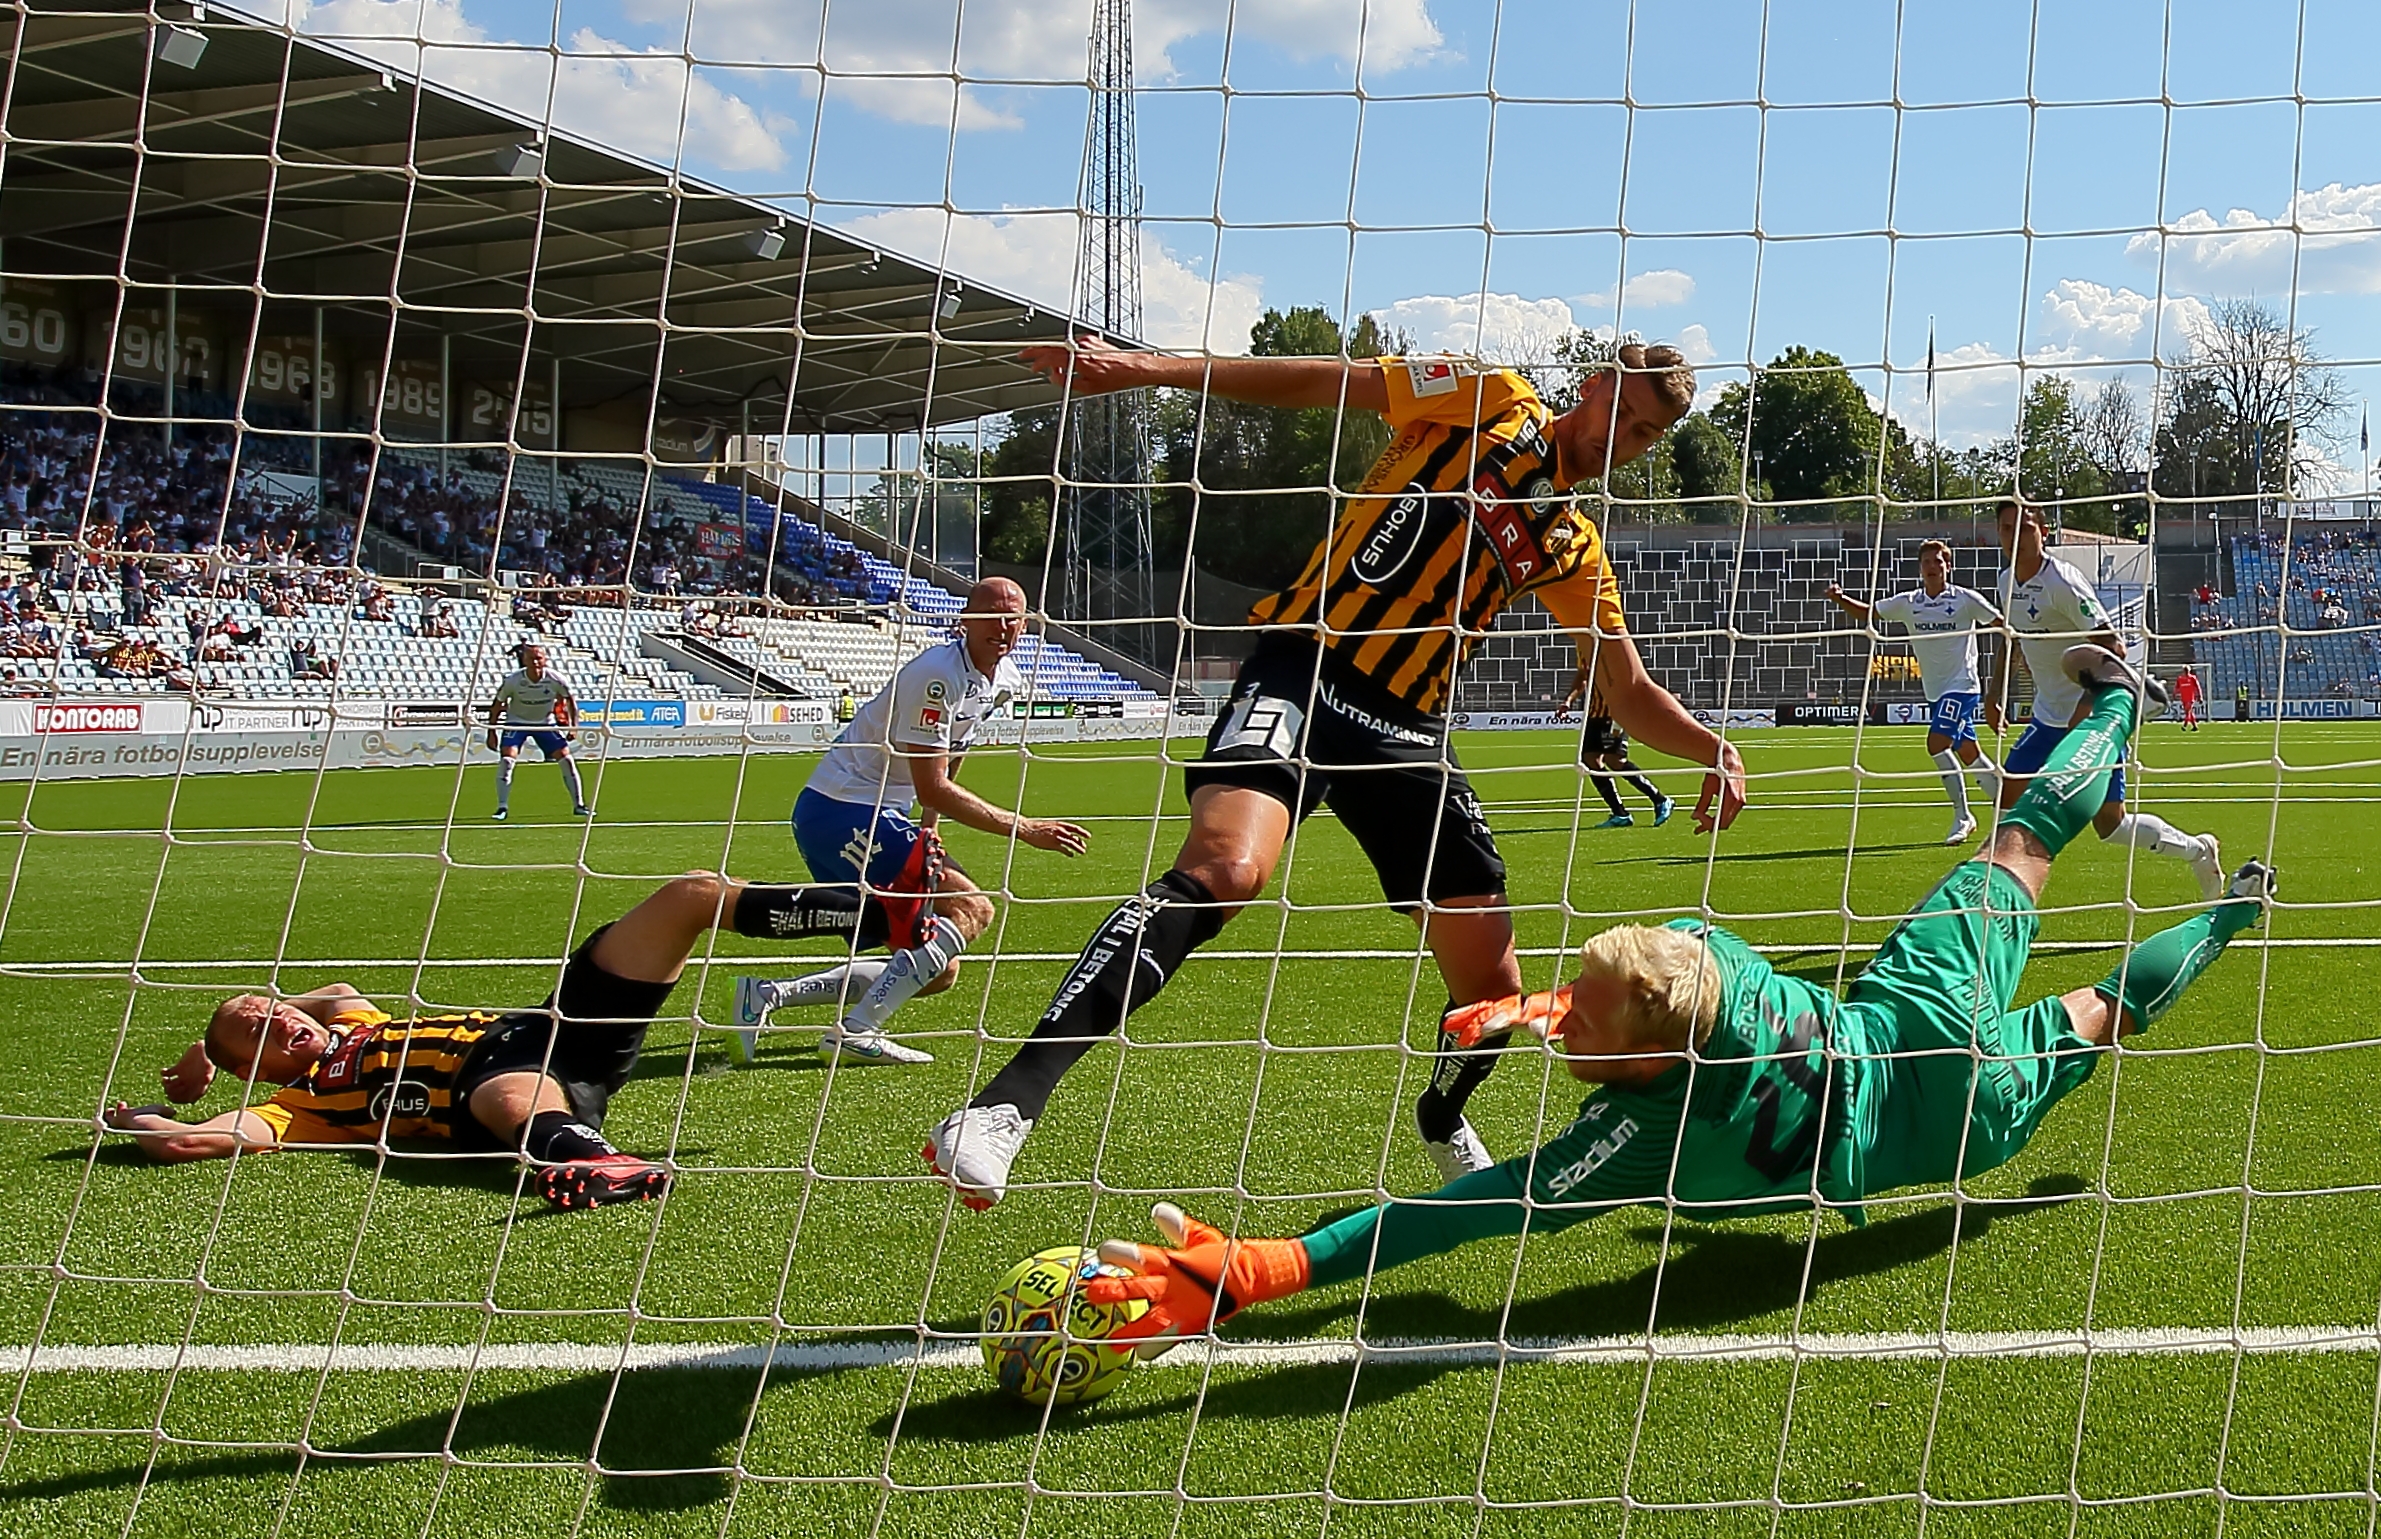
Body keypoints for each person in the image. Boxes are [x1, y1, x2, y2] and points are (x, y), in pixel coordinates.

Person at [1078, 647, 2276, 1346]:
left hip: (1942, 1127)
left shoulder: (1638, 1136)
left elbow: (1464, 1212)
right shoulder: (1705, 961)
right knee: (2022, 842)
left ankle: (2232, 914)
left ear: (1646, 1065)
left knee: (2099, 1014)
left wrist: (1267, 1267)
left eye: (1578, 1020)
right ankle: (2121, 714)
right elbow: (1643, 991)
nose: (1566, 1027)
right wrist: (1542, 1006)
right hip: (1905, 1023)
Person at [923, 336, 1750, 1211]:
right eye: (1621, 412)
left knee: (1493, 988)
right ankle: (1002, 1107)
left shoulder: (1571, 545)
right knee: (1225, 870)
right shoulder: (1484, 396)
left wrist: (1714, 748)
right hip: (1305, 669)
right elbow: (1326, 380)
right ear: (1589, 387)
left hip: (1407, 732)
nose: (1621, 437)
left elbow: (1626, 687)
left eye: (1645, 433)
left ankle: (1441, 1115)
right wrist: (1144, 369)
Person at [101, 871, 903, 1209]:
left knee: (685, 897)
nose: (280, 1016)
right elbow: (193, 1142)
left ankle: (878, 914)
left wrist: (224, 1040)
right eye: (261, 1030)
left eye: (271, 1004)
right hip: (501, 1085)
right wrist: (134, 1117)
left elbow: (329, 994)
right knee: (506, 1094)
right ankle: (589, 1159)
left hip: (551, 1023)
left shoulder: (348, 1017)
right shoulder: (298, 1106)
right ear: (258, 1070)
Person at [734, 577, 1090, 1066]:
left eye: (1012, 617)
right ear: (965, 619)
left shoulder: (1003, 680)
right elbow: (933, 785)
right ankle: (855, 1030)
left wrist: (930, 829)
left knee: (936, 967)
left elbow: (951, 756)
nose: (1001, 625)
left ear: (1026, 625)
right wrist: (1027, 829)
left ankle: (765, 996)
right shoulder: (936, 675)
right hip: (842, 809)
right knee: (974, 909)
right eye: (989, 614)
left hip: (878, 813)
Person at [1987, 499, 2222, 900]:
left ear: (2044, 532)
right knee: (2007, 798)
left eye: (2025, 528)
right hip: (2047, 717)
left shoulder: (2063, 582)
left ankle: (2199, 850)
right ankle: (2000, 899)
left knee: (2110, 826)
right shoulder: (2007, 581)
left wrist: (2089, 713)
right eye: (2007, 529)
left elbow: (2113, 645)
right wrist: (1995, 692)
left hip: (2091, 718)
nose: (2016, 537)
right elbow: (2010, 639)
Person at [1825, 539, 2003, 844]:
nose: (1932, 567)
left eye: (1938, 561)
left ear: (1948, 567)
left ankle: (1963, 816)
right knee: (1968, 751)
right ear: (1920, 569)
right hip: (1935, 691)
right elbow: (1870, 613)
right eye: (1927, 562)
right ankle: (2010, 807)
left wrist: (2000, 681)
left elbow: (2000, 623)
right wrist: (1841, 598)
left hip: (1963, 686)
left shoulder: (1965, 600)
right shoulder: (1909, 602)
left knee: (1936, 743)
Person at [1561, 664, 1674, 829]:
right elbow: (1582, 677)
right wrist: (1568, 701)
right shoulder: (1585, 651)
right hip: (1594, 716)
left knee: (1616, 761)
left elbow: (1631, 681)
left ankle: (1660, 800)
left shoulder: (1611, 649)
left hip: (1616, 714)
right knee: (1590, 760)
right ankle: (1620, 813)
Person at [486, 643, 589, 821]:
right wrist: (492, 732)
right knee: (507, 760)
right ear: (524, 660)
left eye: (539, 658)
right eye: (531, 658)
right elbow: (496, 706)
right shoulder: (513, 680)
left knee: (566, 759)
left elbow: (570, 700)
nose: (535, 662)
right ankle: (502, 807)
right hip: (516, 722)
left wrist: (573, 725)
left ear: (545, 659)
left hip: (545, 723)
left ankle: (579, 805)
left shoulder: (556, 679)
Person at [2174, 666, 2202, 732]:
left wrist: (2200, 696)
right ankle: (2195, 726)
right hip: (2183, 698)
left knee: (2188, 712)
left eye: (2187, 670)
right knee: (2189, 712)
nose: (2186, 671)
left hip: (2191, 698)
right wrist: (2174, 694)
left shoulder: (2192, 678)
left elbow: (2198, 687)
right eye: (2185, 670)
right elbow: (2176, 687)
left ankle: (2184, 725)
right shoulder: (2180, 679)